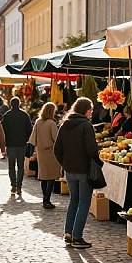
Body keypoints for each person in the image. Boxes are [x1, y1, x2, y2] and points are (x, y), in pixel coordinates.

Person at [54, 97, 100, 249]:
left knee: (74, 200)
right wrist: (97, 162)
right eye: (91, 110)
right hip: (84, 170)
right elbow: (92, 150)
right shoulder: (86, 125)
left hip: (70, 170)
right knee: (83, 202)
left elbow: (57, 149)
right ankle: (77, 237)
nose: (91, 113)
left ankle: (68, 232)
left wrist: (65, 164)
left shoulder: (65, 124)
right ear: (86, 110)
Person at [29, 102, 61, 209]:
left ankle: (45, 199)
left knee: (43, 176)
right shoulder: (51, 123)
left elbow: (33, 139)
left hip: (41, 152)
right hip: (50, 152)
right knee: (51, 176)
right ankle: (46, 200)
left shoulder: (38, 122)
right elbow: (56, 139)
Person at [1, 97, 32, 196]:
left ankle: (13, 185)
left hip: (10, 144)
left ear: (11, 104)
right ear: (19, 104)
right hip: (22, 144)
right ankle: (19, 186)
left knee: (11, 166)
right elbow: (29, 129)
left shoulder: (7, 115)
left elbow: (3, 130)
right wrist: (26, 139)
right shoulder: (24, 115)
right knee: (20, 166)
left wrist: (4, 142)